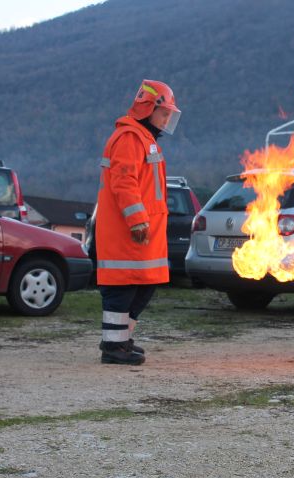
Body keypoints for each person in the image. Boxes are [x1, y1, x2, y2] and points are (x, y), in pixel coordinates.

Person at [96, 80, 181, 365]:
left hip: (144, 233)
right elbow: (124, 182)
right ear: (148, 108)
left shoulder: (144, 139)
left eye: (169, 114)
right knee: (122, 289)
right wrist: (136, 220)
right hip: (127, 233)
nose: (167, 120)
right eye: (164, 113)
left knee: (144, 286)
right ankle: (113, 347)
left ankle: (120, 340)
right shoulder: (130, 138)